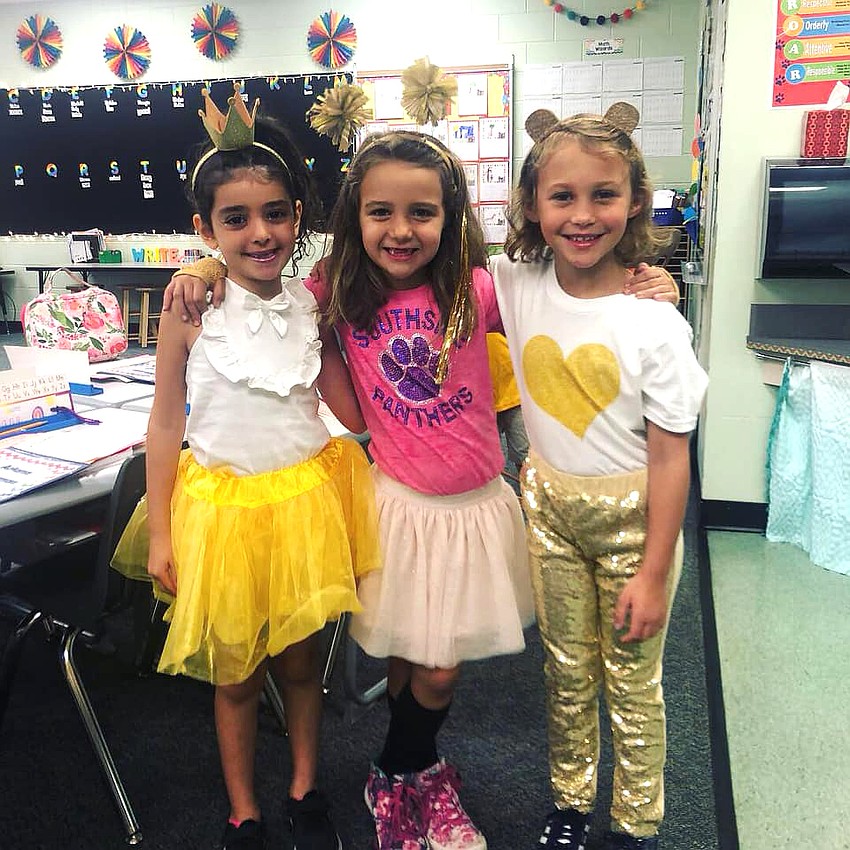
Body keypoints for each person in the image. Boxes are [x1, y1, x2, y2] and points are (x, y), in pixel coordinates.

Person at [164, 129, 679, 850]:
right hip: (398, 506)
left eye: (422, 213)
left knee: (438, 671)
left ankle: (396, 767)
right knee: (411, 657)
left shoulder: (481, 287)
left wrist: (649, 280)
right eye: (381, 213)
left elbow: (568, 291)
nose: (401, 231)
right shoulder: (336, 293)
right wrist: (201, 267)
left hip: (472, 509)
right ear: (354, 218)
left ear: (451, 215)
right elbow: (259, 280)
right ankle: (417, 775)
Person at [112, 84, 380, 850]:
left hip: (301, 508)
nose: (259, 233)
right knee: (233, 677)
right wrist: (161, 533)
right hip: (221, 518)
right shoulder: (189, 308)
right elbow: (165, 424)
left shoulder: (314, 303)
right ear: (204, 227)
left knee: (301, 667)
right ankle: (243, 808)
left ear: (299, 216)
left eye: (275, 214)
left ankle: (302, 786)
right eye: (234, 219)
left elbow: (348, 407)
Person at [490, 105, 709, 850]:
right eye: (561, 197)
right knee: (566, 668)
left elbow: (673, 456)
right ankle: (571, 801)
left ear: (637, 200)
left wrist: (652, 573)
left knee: (634, 680)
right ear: (530, 205)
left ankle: (636, 820)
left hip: (634, 522)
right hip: (548, 508)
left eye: (604, 195)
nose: (582, 216)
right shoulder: (514, 280)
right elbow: (425, 248)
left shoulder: (655, 323)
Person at [486, 331, 529, 484]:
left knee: (525, 454)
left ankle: (532, 500)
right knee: (485, 459)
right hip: (481, 401)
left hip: (513, 390)